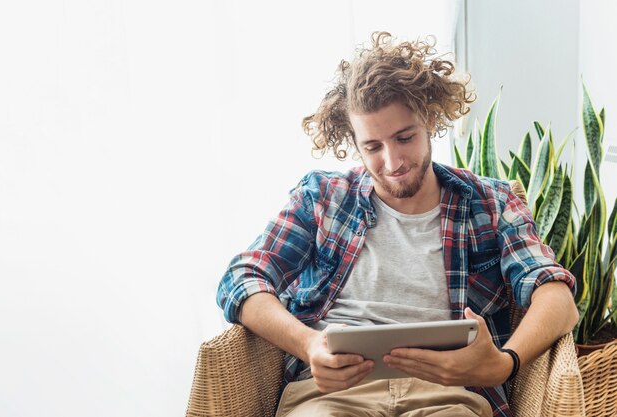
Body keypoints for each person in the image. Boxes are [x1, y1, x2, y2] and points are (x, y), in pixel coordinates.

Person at [216, 32, 578, 417]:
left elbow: (556, 296)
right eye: (373, 147)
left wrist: (505, 363)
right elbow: (242, 278)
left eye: (404, 138)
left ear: (431, 119)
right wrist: (308, 344)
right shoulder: (321, 198)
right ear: (354, 142)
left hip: (449, 396)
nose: (392, 162)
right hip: (331, 397)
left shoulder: (491, 202)